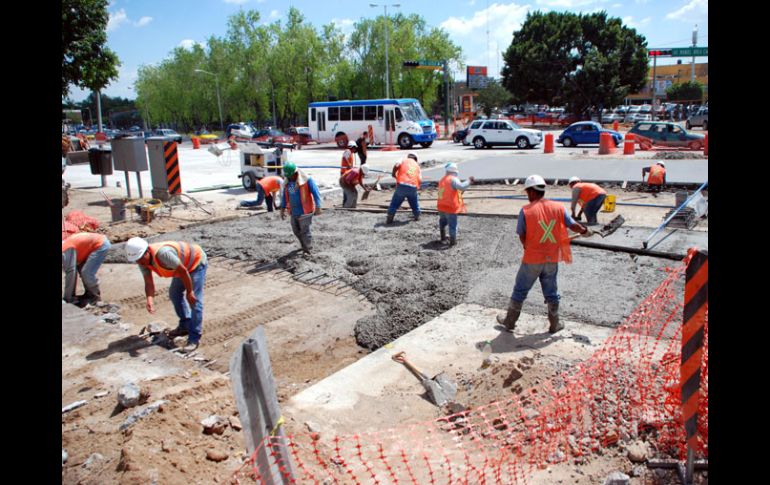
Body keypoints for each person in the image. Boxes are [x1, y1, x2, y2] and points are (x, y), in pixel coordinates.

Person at [496, 175, 589, 334]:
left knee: (520, 290)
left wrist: (528, 246)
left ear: (532, 192)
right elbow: (572, 225)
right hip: (551, 258)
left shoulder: (526, 211)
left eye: (527, 192)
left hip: (532, 259)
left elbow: (522, 235)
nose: (527, 195)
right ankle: (555, 324)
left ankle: (510, 322)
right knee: (551, 292)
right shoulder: (558, 207)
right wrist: (585, 230)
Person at [125, 237, 208, 353]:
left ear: (147, 251)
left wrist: (190, 292)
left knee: (194, 301)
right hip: (181, 267)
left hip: (196, 263)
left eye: (140, 259)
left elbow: (183, 271)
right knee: (174, 294)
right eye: (137, 260)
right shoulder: (142, 260)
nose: (140, 262)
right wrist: (150, 299)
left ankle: (194, 338)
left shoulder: (163, 254)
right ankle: (185, 325)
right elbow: (148, 282)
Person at [280, 161, 322, 253]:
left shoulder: (307, 180)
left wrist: (318, 206)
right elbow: (285, 196)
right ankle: (304, 245)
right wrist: (282, 209)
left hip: (305, 211)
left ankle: (308, 250)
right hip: (294, 211)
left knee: (305, 231)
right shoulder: (288, 183)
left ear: (295, 173)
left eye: (291, 175)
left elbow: (316, 193)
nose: (289, 177)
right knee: (296, 230)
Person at [62, 232, 111, 307]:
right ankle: (88, 294)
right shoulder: (65, 248)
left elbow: (71, 272)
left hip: (100, 245)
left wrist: (68, 298)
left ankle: (95, 297)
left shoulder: (65, 250)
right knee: (80, 268)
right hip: (91, 245)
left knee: (86, 273)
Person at [436, 163, 475, 246]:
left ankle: (443, 238)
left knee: (443, 221)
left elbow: (450, 191)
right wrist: (469, 181)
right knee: (452, 224)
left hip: (441, 205)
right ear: (455, 171)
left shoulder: (442, 179)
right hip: (450, 207)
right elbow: (461, 187)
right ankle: (452, 241)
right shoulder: (453, 179)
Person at [386, 153, 422, 224]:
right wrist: (416, 188)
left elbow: (397, 165)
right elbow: (420, 178)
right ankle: (417, 215)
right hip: (413, 185)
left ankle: (390, 217)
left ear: (409, 156)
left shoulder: (403, 160)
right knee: (414, 202)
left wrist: (393, 173)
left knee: (395, 202)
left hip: (402, 184)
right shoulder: (417, 166)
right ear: (416, 159)